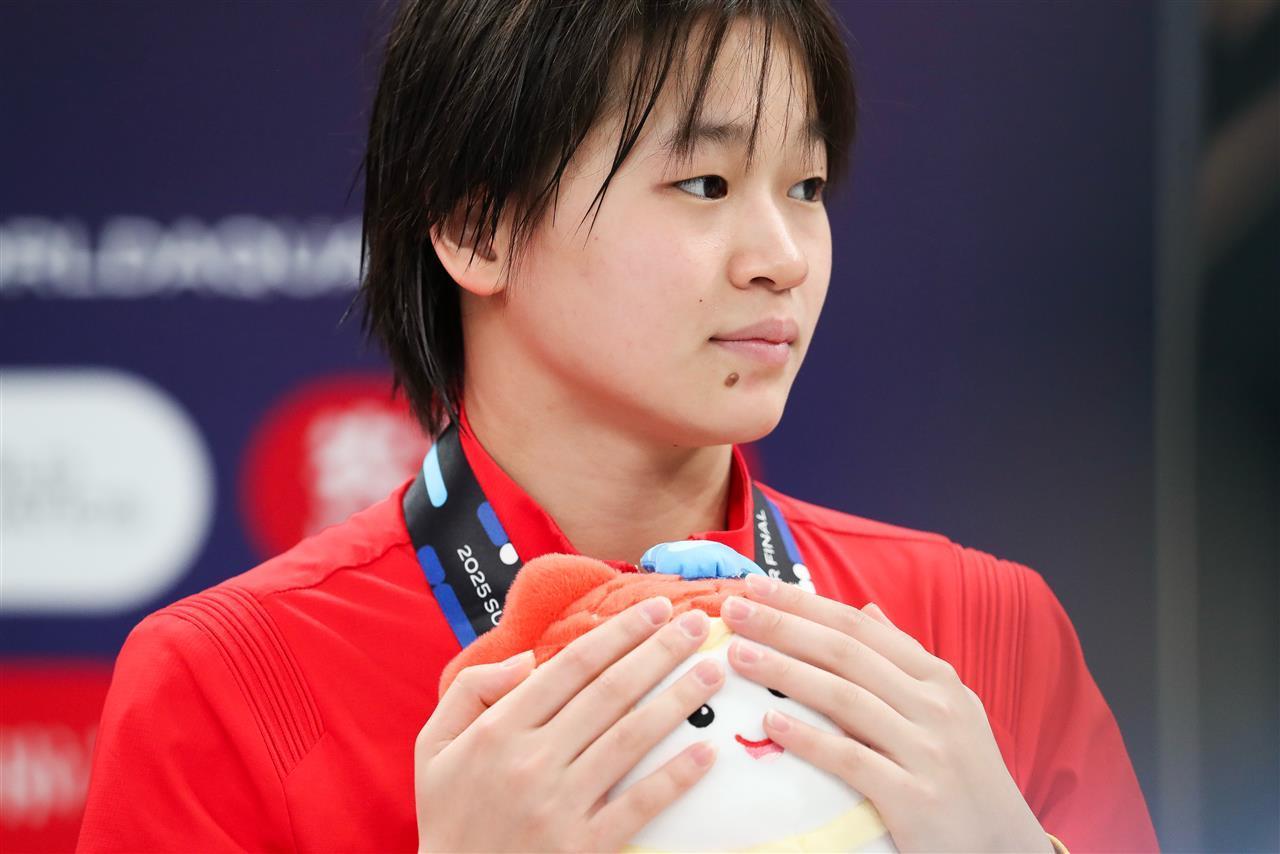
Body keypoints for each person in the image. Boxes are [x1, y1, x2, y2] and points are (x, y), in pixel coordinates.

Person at [77, 1, 1159, 852]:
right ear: (475, 224)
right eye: (705, 182)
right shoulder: (227, 686)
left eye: (807, 184)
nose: (782, 256)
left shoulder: (983, 632)